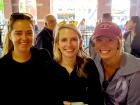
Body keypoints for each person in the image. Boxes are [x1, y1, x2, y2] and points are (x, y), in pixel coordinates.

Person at [0, 13, 54, 104]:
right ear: (10, 36)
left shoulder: (44, 56)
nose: (24, 38)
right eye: (18, 33)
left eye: (29, 33)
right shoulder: (3, 66)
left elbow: (53, 89)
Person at [51, 23, 104, 105]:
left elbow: (98, 97)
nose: (69, 44)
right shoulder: (49, 68)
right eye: (64, 40)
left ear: (80, 42)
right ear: (57, 44)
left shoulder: (89, 65)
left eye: (74, 39)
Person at [92, 21, 140, 105]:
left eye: (110, 40)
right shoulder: (94, 61)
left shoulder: (136, 71)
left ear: (119, 43)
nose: (104, 45)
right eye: (99, 40)